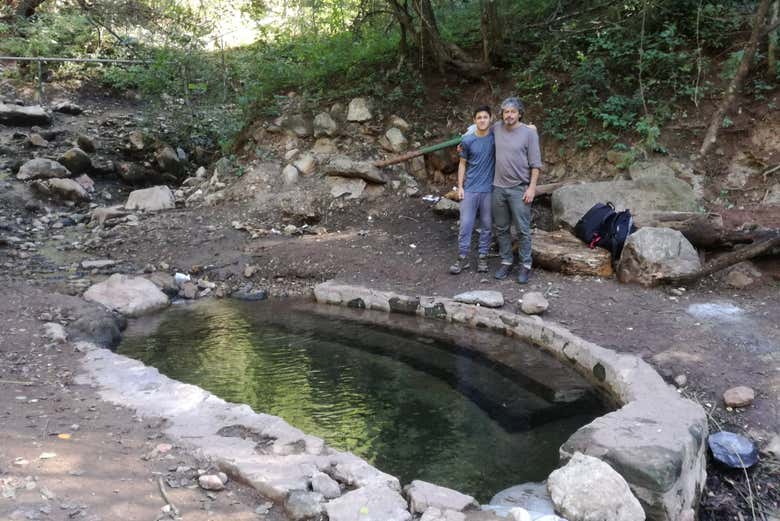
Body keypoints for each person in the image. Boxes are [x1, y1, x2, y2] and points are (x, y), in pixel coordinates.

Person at [491, 97, 542, 284]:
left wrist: (532, 188)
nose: (509, 115)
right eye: (506, 112)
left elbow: (535, 164)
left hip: (519, 188)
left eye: (513, 112)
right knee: (502, 228)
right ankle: (506, 261)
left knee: (522, 229)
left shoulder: (529, 133)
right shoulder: (496, 128)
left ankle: (525, 265)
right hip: (498, 187)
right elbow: (478, 130)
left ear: (520, 113)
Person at [449, 105, 495, 275]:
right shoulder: (468, 141)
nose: (482, 120)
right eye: (479, 117)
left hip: (489, 190)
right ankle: (462, 258)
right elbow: (462, 164)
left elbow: (512, 128)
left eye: (485, 117)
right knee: (466, 225)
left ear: (490, 119)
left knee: (487, 225)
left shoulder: (495, 138)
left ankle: (483, 257)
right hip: (470, 189)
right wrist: (460, 187)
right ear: (474, 121)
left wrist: (530, 128)